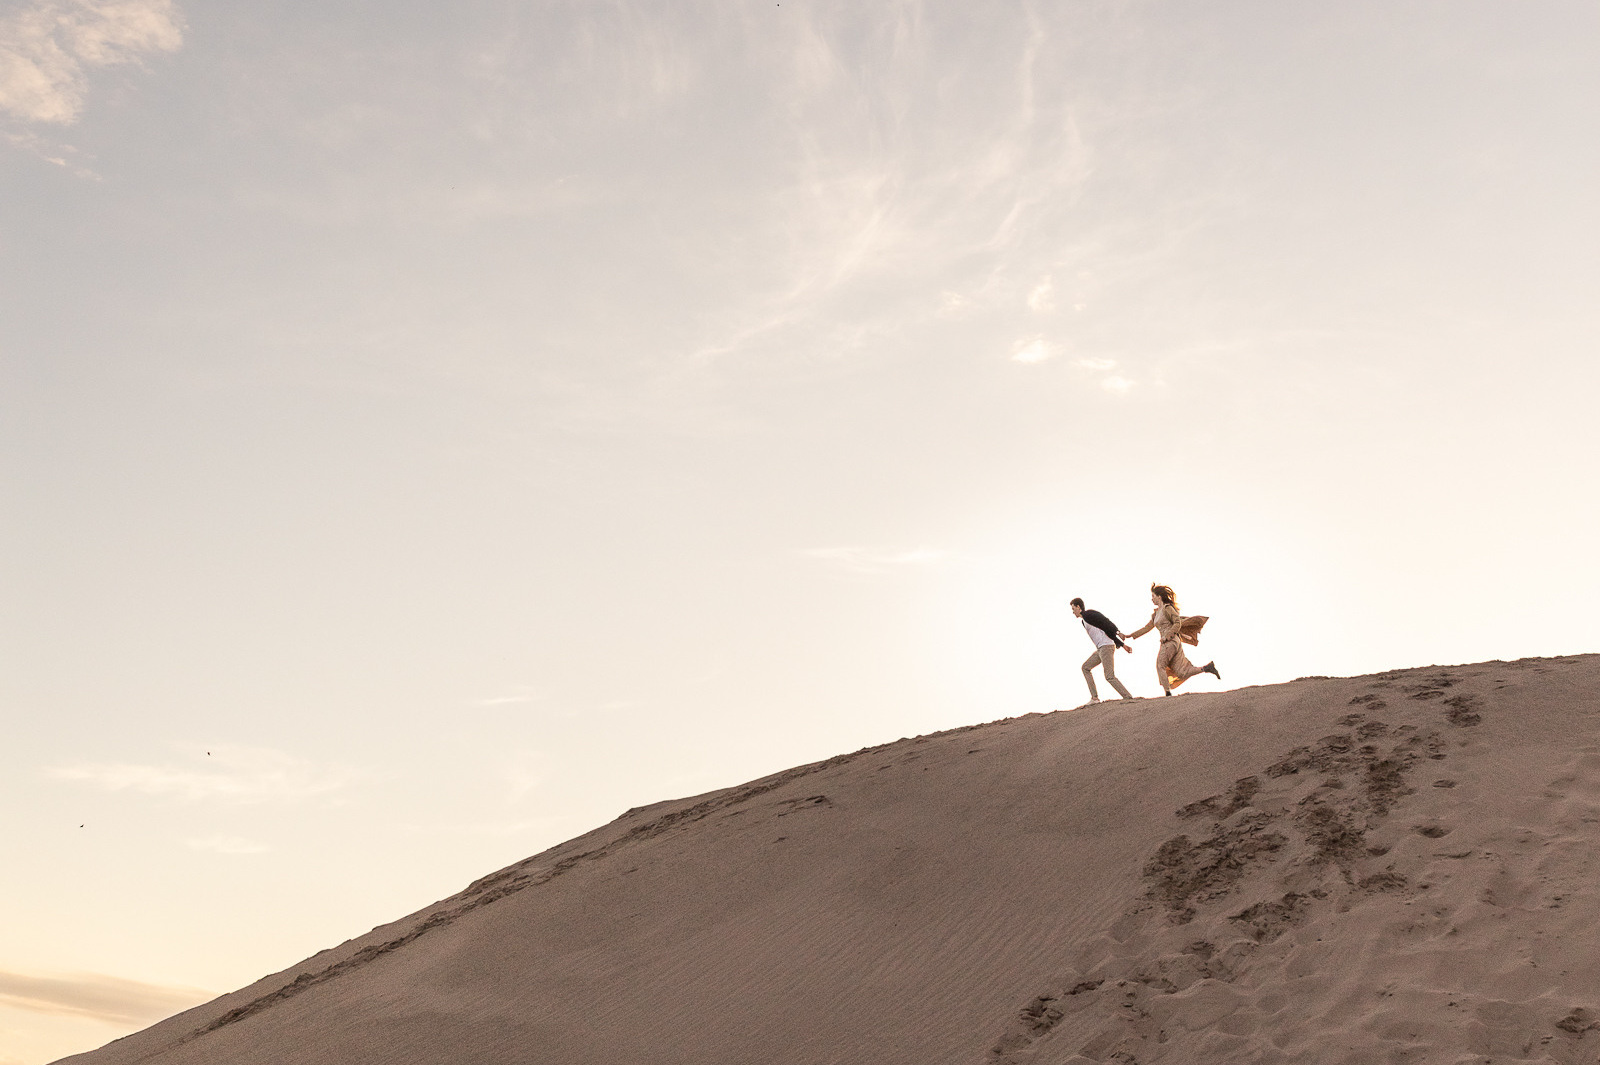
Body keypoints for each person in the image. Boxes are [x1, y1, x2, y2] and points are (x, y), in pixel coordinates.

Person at [1121, 584, 1220, 696]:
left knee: (1160, 665)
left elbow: (1177, 622)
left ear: (1159, 596)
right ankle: (1206, 668)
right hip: (1172, 643)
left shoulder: (1167, 608)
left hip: (1170, 642)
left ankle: (1167, 693)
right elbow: (1146, 628)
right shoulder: (1156, 614)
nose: (1151, 599)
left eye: (1153, 596)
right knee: (1181, 672)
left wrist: (1167, 635)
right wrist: (1129, 635)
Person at [1071, 597, 1133, 702]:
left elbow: (1105, 622)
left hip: (1106, 647)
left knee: (1109, 676)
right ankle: (1094, 698)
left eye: (1073, 609)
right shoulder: (1083, 621)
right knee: (1085, 668)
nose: (1073, 612)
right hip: (1100, 649)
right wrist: (1121, 644)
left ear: (1078, 607)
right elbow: (1105, 630)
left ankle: (1128, 697)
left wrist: (1118, 634)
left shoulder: (1088, 614)